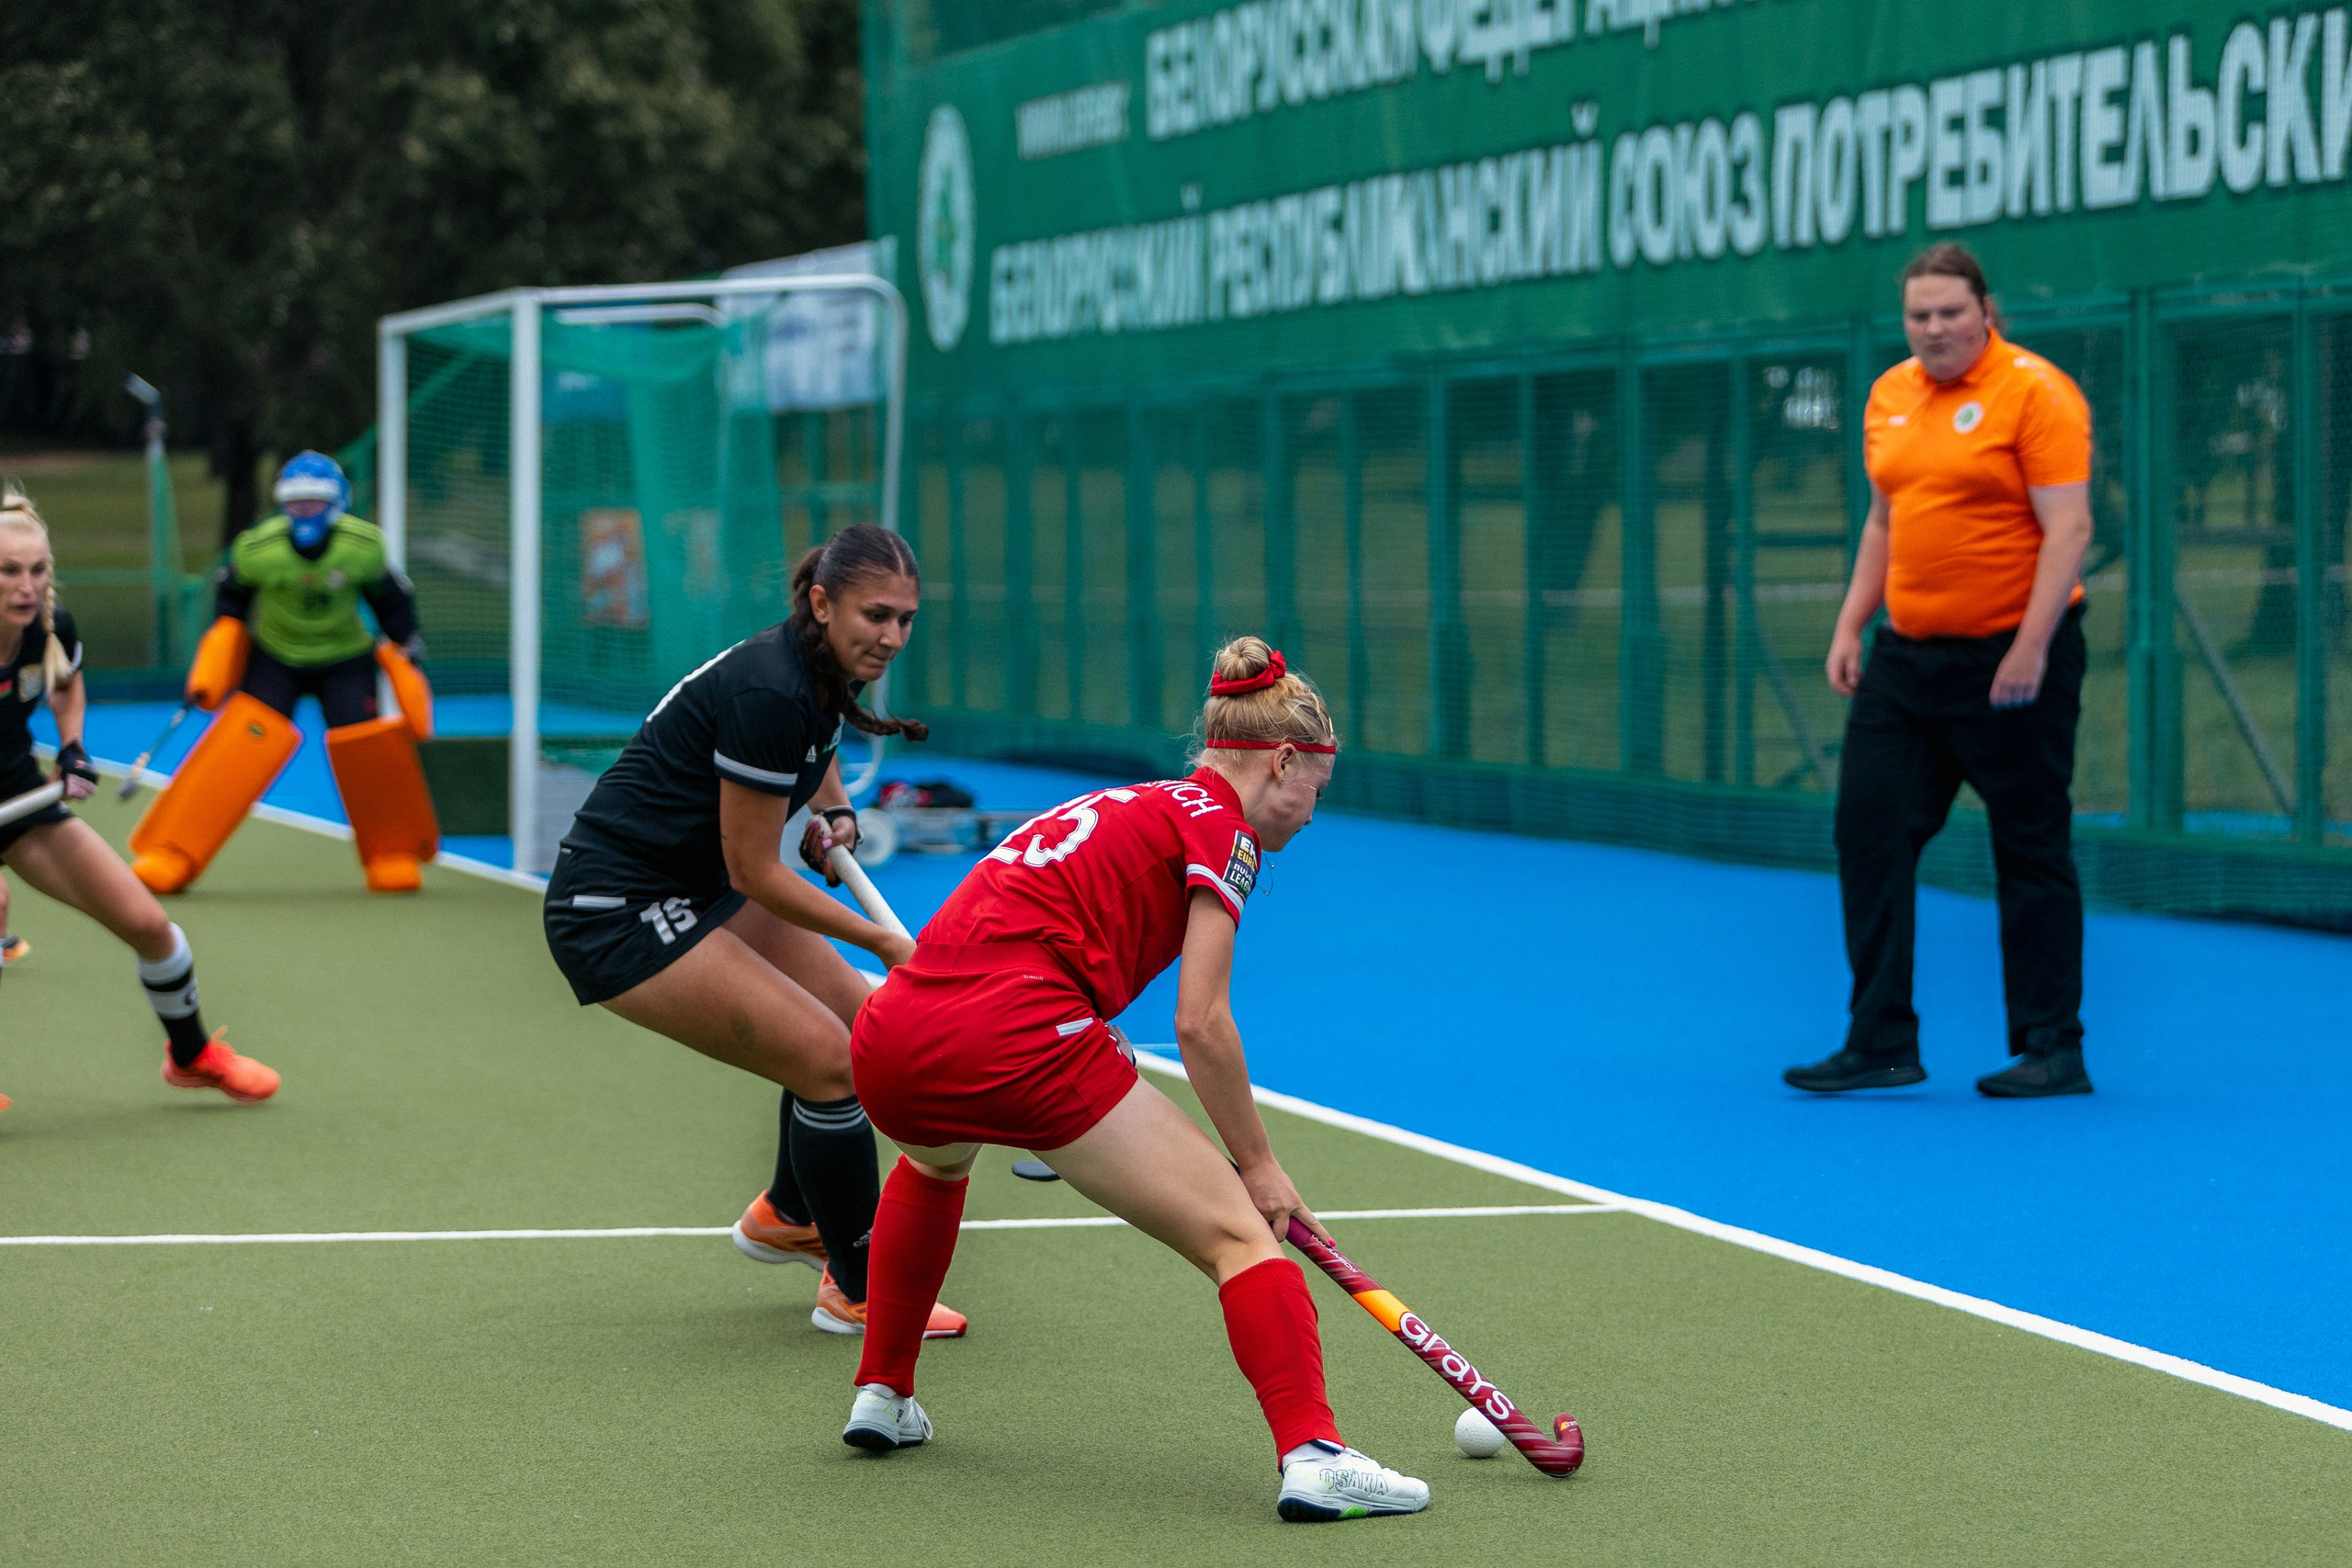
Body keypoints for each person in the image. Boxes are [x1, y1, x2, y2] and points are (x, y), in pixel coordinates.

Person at [837, 637, 1431, 1524]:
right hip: (1020, 1036)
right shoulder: (1225, 829)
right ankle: (1315, 1453)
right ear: (1282, 761)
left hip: (896, 1032)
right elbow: (1200, 1021)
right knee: (1241, 1237)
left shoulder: (1134, 801)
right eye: (1316, 789)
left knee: (933, 1163)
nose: (1310, 815)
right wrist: (1258, 1163)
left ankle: (882, 1392)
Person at [543, 524, 965, 1339]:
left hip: (690, 881)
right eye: (875, 615)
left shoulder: (820, 666)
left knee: (860, 1019)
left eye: (905, 619)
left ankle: (791, 1211)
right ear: (821, 602)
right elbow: (755, 873)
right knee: (830, 1059)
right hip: (616, 906)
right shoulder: (770, 689)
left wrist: (833, 808)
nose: (892, 636)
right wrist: (885, 942)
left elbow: (821, 741)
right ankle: (858, 1288)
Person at [1785, 244, 2096, 1100]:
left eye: (1950, 312)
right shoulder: (1890, 395)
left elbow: (2067, 530)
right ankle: (1881, 1038)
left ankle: (2051, 1045)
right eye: (1919, 315)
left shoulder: (2037, 392)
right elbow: (1885, 522)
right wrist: (1853, 623)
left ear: (1986, 310)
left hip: (2013, 655)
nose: (1934, 328)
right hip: (1904, 661)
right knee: (1868, 830)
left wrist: (2030, 646)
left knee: (2030, 844)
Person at [0, 486, 279, 1111]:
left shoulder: (47, 626)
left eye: (38, 570)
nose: (27, 585)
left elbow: (65, 685)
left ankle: (191, 1056)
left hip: (18, 801)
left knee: (151, 926)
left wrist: (72, 745)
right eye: (9, 571)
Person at [130, 450, 439, 895]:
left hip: (345, 660)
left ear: (337, 503)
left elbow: (391, 601)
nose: (305, 511)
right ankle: (174, 850)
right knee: (236, 749)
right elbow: (230, 600)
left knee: (367, 752)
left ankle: (392, 853)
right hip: (276, 659)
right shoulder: (258, 549)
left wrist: (406, 647)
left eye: (315, 501)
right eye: (296, 502)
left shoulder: (364, 546)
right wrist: (221, 652)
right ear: (281, 504)